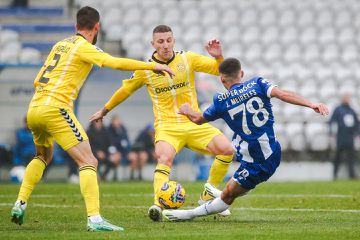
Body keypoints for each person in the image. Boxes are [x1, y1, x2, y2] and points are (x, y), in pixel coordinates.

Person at [10, 6, 174, 232]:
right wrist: (152, 65)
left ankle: (20, 203)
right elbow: (114, 63)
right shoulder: (84, 47)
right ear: (97, 27)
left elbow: (39, 78)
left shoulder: (60, 44)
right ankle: (94, 218)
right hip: (56, 108)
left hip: (35, 108)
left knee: (43, 156)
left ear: (76, 26)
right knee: (89, 161)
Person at [90, 25, 234, 221]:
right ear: (153, 44)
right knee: (164, 158)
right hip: (167, 127)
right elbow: (125, 90)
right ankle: (158, 204)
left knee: (227, 150)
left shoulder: (187, 59)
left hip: (194, 123)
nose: (165, 45)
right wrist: (104, 110)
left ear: (173, 41)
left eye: (168, 40)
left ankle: (208, 196)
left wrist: (218, 56)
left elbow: (220, 70)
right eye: (160, 41)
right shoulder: (146, 69)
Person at [162, 58, 329, 221]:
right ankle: (215, 191)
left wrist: (187, 110)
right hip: (272, 149)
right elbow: (282, 94)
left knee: (228, 196)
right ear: (241, 73)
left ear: (222, 79)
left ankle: (188, 214)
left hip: (258, 160)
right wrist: (310, 104)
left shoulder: (221, 101)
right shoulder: (258, 83)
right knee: (239, 187)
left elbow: (198, 120)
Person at [329, 93, 359, 179]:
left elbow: (357, 123)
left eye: (348, 98)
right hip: (340, 137)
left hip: (350, 137)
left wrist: (357, 133)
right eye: (345, 98)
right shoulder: (338, 110)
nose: (346, 100)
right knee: (338, 157)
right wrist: (331, 131)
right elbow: (331, 121)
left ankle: (352, 175)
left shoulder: (352, 110)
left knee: (351, 158)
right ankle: (335, 175)